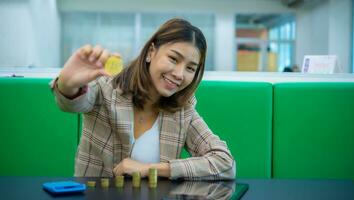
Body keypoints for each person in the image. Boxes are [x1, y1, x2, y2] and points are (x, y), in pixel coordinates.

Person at [51, 18, 235, 180]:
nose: (179, 74)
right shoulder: (107, 88)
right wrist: (67, 84)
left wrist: (151, 169)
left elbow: (225, 164)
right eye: (173, 58)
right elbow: (72, 102)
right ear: (151, 52)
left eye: (190, 68)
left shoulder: (183, 111)